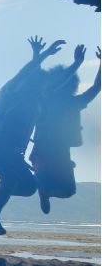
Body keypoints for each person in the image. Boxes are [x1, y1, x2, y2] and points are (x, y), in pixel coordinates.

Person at [0, 36, 66, 235]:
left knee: (28, 188)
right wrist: (41, 55)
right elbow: (25, 73)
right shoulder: (9, 92)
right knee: (9, 179)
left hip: (12, 155)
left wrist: (77, 64)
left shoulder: (35, 106)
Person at [30, 46, 100, 214]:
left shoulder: (72, 103)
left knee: (68, 191)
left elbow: (97, 87)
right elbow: (52, 84)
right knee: (43, 183)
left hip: (61, 152)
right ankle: (41, 189)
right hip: (43, 150)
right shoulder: (45, 99)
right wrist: (77, 63)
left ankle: (43, 192)